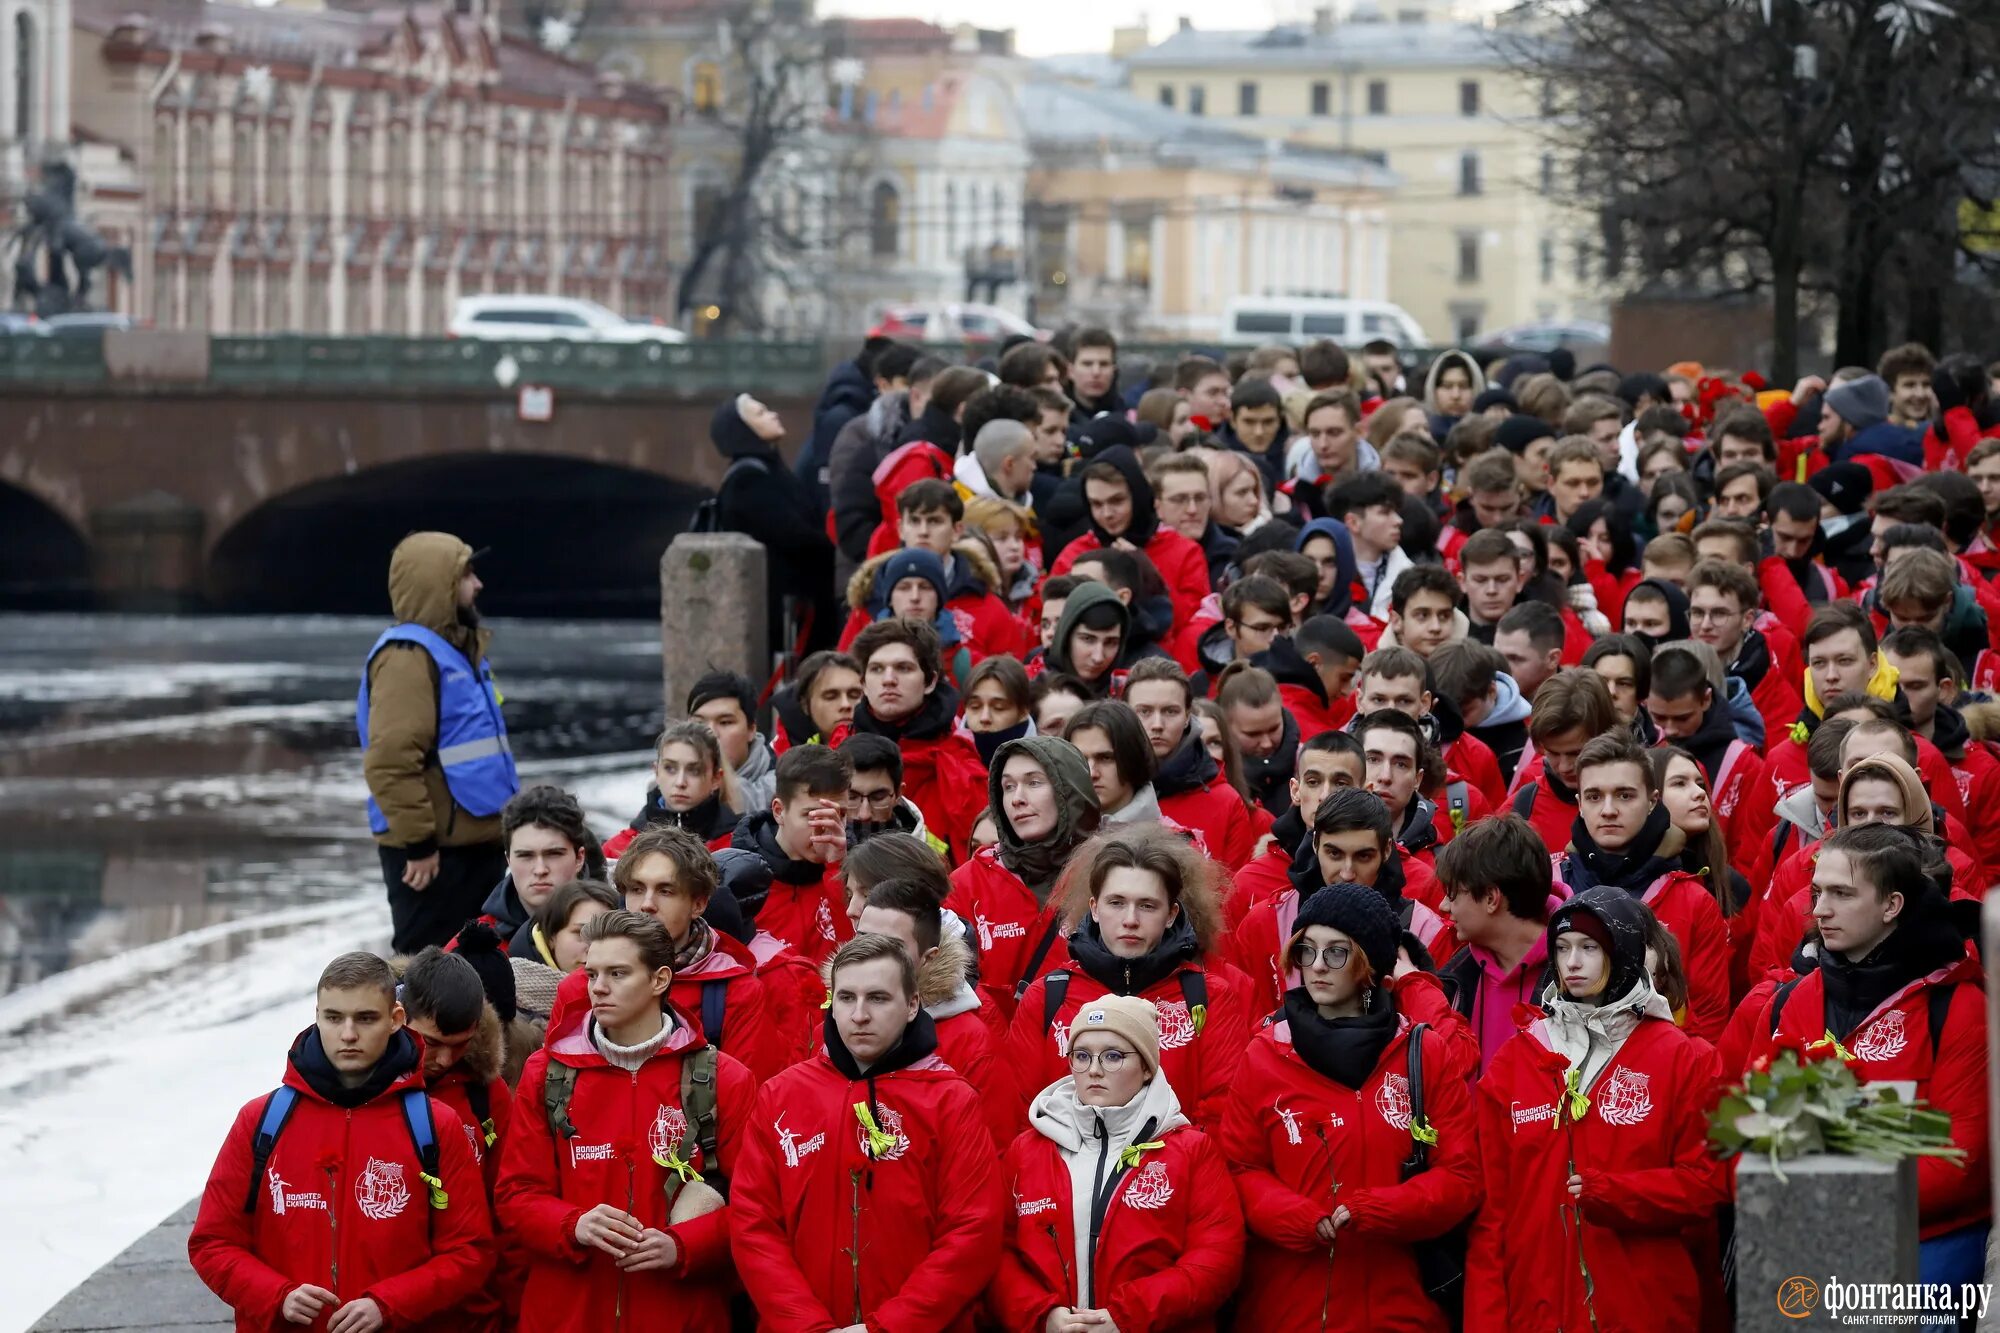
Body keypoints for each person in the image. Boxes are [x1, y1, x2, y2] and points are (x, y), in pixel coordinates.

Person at [1221, 882, 1482, 1333]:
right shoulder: (1264, 1054)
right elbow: (1240, 1168)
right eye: (1307, 951)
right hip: (1289, 1309)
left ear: (1369, 963)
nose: (1317, 967)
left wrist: (1386, 1210)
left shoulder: (1424, 1052)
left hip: (1403, 1309)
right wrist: (1291, 1216)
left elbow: (1461, 1177)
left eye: (1337, 953)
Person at [1467, 887, 1728, 1333]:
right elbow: (1492, 1218)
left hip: (1642, 1309)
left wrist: (1612, 1195)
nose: (1572, 963)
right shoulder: (1516, 1060)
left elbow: (1705, 1185)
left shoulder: (1681, 1057)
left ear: (1623, 952)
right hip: (1536, 1311)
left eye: (1590, 948)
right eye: (1563, 949)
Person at [190, 952, 493, 1333]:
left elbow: (471, 1252)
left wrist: (389, 1304)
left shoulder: (435, 1125)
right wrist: (277, 1296)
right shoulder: (261, 1120)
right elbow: (211, 1243)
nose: (348, 1034)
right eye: (334, 1018)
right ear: (317, 1016)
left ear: (396, 1019)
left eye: (365, 1019)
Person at [1750, 823, 1989, 1284]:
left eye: (1842, 894)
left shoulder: (1957, 1005)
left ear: (1891, 905)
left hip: (1923, 1254)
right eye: (1817, 892)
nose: (1820, 910)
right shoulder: (1792, 1000)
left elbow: (1958, 1159)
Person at [729, 934, 1005, 1332]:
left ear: (912, 1005)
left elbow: (972, 1232)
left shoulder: (951, 1100)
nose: (859, 1015)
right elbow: (753, 1224)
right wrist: (807, 1326)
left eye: (878, 998)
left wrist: (890, 1326)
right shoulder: (781, 1094)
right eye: (846, 998)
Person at [496, 910, 755, 1333]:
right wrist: (573, 1224)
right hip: (567, 1314)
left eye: (617, 973)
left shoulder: (726, 1078)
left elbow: (757, 1209)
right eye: (591, 973)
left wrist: (683, 1246)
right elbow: (515, 1195)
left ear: (660, 980)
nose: (598, 987)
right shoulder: (545, 1073)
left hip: (680, 1312)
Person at [994, 994, 1245, 1333]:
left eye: (1113, 1056)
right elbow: (998, 1253)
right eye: (1081, 1056)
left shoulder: (1190, 1151)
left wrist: (1128, 1317)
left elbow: (1217, 1260)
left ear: (1146, 1068)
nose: (1094, 1070)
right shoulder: (1027, 1150)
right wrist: (1042, 1314)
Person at [1007, 827, 1253, 1137]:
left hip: (1174, 1177)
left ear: (1171, 914)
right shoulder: (1047, 996)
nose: (1130, 920)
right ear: (1094, 908)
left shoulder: (1209, 996)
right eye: (1116, 903)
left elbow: (1225, 1116)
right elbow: (1020, 1118)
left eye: (1147, 905)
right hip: (1064, 1179)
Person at [359, 531, 519, 954]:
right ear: (440, 585)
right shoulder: (408, 657)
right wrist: (419, 844)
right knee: (427, 976)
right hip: (435, 857)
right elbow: (390, 761)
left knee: (474, 974)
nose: (478, 583)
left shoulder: (455, 651)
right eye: (467, 573)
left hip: (471, 843)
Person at [1559, 733, 1730, 1042]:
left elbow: (1707, 1022)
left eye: (1624, 795)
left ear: (1652, 801)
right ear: (1580, 804)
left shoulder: (1693, 901)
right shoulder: (1552, 886)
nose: (1608, 810)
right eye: (1594, 796)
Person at [855, 877, 1019, 1153]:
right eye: (863, 940)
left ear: (928, 957)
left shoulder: (969, 1041)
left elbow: (994, 1153)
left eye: (892, 946)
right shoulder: (834, 1020)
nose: (871, 956)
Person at [945, 736, 1102, 1019]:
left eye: (1034, 782)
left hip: (1094, 1051)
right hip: (996, 1053)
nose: (1017, 798)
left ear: (1070, 791)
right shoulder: (966, 884)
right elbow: (951, 987)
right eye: (1007, 787)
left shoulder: (1111, 872)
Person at [615, 826, 786, 1083]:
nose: (647, 904)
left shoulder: (737, 994)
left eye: (665, 891)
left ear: (698, 904)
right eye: (637, 889)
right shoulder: (586, 984)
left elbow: (748, 1100)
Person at [710, 392, 839, 653]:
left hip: (801, 607)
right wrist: (838, 548)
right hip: (787, 616)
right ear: (742, 430)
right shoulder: (748, 482)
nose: (773, 414)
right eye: (760, 413)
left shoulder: (767, 471)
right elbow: (794, 536)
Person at [1434, 815, 1558, 1074]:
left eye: (1453, 894)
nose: (1443, 906)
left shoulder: (1576, 975)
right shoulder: (1456, 976)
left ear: (1491, 898)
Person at [1048, 445, 1212, 634]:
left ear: (1137, 496)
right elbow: (1052, 621)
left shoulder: (1184, 551)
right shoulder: (1075, 553)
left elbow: (1191, 625)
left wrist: (1150, 577)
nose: (1107, 513)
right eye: (1096, 504)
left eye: (1117, 501)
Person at [1643, 641, 1774, 871]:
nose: (1670, 728)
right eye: (1659, 717)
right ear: (1645, 701)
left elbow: (1750, 855)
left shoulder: (1745, 764)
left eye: (1682, 718)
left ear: (1706, 699)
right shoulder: (1641, 750)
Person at [398, 947, 514, 1203]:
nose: (445, 1060)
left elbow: (508, 1196)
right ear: (399, 1017)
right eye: (432, 1042)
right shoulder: (359, 1086)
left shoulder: (487, 1093)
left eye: (461, 1044)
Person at [1125, 657, 1259, 868]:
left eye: (1170, 711)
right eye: (1144, 711)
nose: (1157, 725)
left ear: (1188, 716)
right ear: (1125, 714)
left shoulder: (1225, 801)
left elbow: (1237, 892)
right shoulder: (1103, 786)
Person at [729, 744, 854, 968]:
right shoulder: (737, 880)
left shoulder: (858, 874)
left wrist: (838, 869)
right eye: (812, 815)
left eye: (839, 815)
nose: (826, 828)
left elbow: (857, 957)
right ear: (779, 811)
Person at [474, 786, 596, 958]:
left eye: (554, 854)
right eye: (526, 856)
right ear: (508, 860)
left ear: (579, 858)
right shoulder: (473, 948)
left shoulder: (617, 931)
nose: (540, 870)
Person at [1509, 670, 1620, 854]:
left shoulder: (1647, 789)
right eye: (1552, 753)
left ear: (1606, 735)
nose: (1564, 767)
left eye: (1576, 753)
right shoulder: (1523, 806)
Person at [604, 722, 739, 860]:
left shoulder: (740, 846)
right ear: (656, 771)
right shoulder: (615, 851)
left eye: (694, 771)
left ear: (716, 778)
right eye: (670, 768)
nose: (680, 782)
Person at [688, 671, 778, 816]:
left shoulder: (784, 787)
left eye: (725, 722)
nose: (710, 733)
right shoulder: (666, 787)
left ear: (751, 730)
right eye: (699, 723)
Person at [960, 654, 1036, 765]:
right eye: (975, 706)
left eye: (999, 707)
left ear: (1023, 710)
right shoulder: (943, 762)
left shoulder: (1043, 768)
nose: (984, 717)